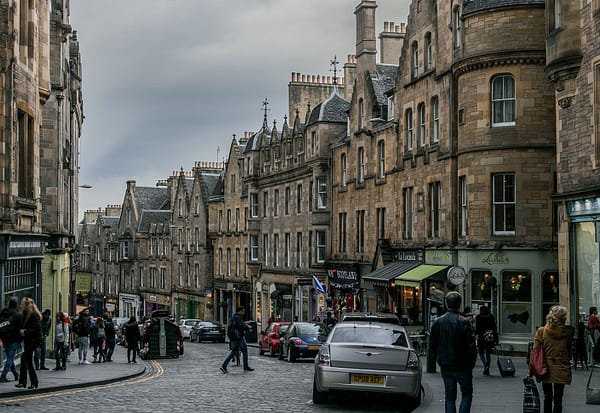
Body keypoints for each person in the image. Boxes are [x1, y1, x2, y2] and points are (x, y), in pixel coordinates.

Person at [430, 291, 476, 413]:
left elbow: (432, 345)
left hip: (445, 364)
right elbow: (471, 345)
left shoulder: (437, 322)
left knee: (449, 397)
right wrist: (471, 363)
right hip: (463, 364)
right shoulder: (464, 322)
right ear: (459, 304)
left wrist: (438, 360)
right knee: (466, 394)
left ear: (446, 303)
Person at [528, 305, 573, 413]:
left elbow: (535, 353)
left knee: (547, 397)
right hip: (562, 366)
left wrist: (530, 371)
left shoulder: (542, 331)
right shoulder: (568, 332)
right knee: (558, 399)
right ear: (563, 318)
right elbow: (569, 350)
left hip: (545, 367)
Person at [16, 297, 43, 389]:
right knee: (28, 361)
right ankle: (32, 383)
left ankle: (24, 382)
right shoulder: (24, 314)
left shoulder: (33, 315)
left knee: (24, 358)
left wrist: (25, 331)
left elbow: (37, 328)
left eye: (22, 304)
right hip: (28, 340)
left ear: (27, 305)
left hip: (35, 340)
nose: (20, 305)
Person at [220, 306, 253, 373]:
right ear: (240, 311)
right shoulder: (238, 317)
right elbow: (240, 326)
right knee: (245, 351)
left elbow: (239, 324)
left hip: (234, 337)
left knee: (233, 352)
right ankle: (246, 367)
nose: (244, 312)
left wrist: (245, 323)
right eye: (243, 311)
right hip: (239, 337)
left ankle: (224, 366)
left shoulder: (235, 317)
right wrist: (247, 327)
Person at [0, 298, 23, 382]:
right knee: (10, 357)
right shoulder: (18, 315)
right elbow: (20, 328)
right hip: (14, 339)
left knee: (10, 357)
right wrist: (20, 339)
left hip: (4, 338)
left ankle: (16, 375)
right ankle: (3, 375)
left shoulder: (3, 313)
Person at [474, 305, 498, 376]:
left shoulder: (478, 317)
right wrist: (496, 338)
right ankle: (487, 365)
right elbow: (494, 327)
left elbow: (477, 328)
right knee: (488, 353)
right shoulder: (491, 316)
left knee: (481, 352)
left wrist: (474, 334)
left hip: (481, 337)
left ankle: (485, 364)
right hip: (489, 336)